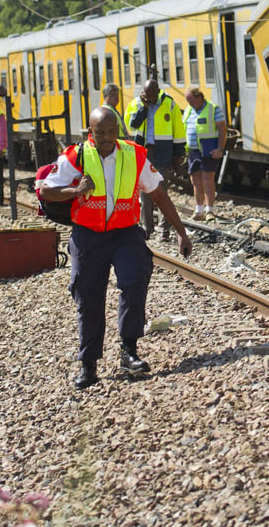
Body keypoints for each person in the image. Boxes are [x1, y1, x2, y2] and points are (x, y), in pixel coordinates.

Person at [38, 107, 192, 390]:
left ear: (118, 131)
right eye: (100, 133)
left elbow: (158, 193)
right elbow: (46, 191)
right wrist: (75, 191)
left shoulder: (134, 155)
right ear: (90, 132)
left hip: (125, 234)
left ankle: (129, 351)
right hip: (88, 235)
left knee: (135, 281)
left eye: (111, 132)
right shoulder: (76, 157)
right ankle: (89, 365)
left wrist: (182, 232)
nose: (106, 138)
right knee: (88, 297)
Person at [124, 80, 185, 239]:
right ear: (143, 93)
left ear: (158, 91)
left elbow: (178, 130)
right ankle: (147, 229)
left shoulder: (169, 103)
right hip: (143, 153)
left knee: (162, 192)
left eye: (153, 96)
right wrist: (143, 108)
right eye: (147, 96)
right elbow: (132, 125)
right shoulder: (137, 103)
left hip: (163, 152)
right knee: (145, 192)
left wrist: (178, 154)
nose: (150, 99)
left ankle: (165, 231)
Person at [183, 88, 228, 218]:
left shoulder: (213, 109)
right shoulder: (188, 110)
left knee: (208, 179)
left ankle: (210, 210)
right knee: (195, 180)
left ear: (199, 97)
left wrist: (220, 148)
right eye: (188, 101)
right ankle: (199, 210)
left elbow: (222, 129)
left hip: (209, 149)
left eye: (191, 100)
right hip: (193, 150)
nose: (189, 103)